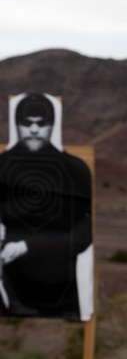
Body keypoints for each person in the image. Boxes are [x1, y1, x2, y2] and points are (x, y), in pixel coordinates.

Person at [0, 93, 93, 318]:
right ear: (17, 124)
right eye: (27, 123)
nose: (33, 130)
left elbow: (84, 234)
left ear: (52, 125)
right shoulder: (2, 166)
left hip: (61, 292)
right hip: (10, 291)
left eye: (41, 124)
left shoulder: (74, 169)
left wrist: (29, 244)